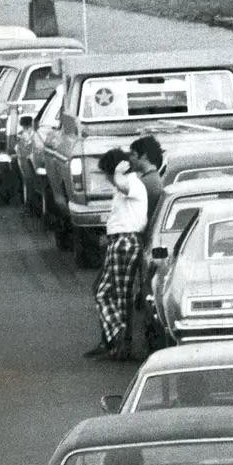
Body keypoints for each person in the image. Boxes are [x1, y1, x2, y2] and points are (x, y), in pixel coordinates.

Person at [85, 148, 149, 362]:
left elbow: (121, 184)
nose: (107, 179)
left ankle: (121, 339)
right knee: (103, 290)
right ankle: (114, 337)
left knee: (119, 296)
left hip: (126, 241)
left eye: (107, 173)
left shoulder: (131, 183)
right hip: (118, 241)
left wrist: (119, 172)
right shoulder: (125, 186)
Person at [129, 136, 165, 225]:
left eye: (133, 154)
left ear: (144, 155)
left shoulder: (144, 183)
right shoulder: (155, 179)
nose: (130, 158)